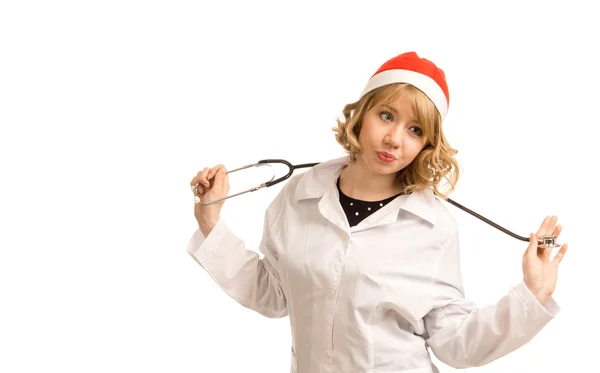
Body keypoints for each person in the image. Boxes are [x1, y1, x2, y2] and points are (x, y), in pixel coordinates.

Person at [187, 52, 569, 373]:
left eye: (415, 129)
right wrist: (211, 224)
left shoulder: (433, 227)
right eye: (387, 116)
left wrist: (533, 294)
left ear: (426, 145)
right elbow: (275, 294)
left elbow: (454, 340)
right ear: (362, 114)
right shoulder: (299, 194)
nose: (394, 139)